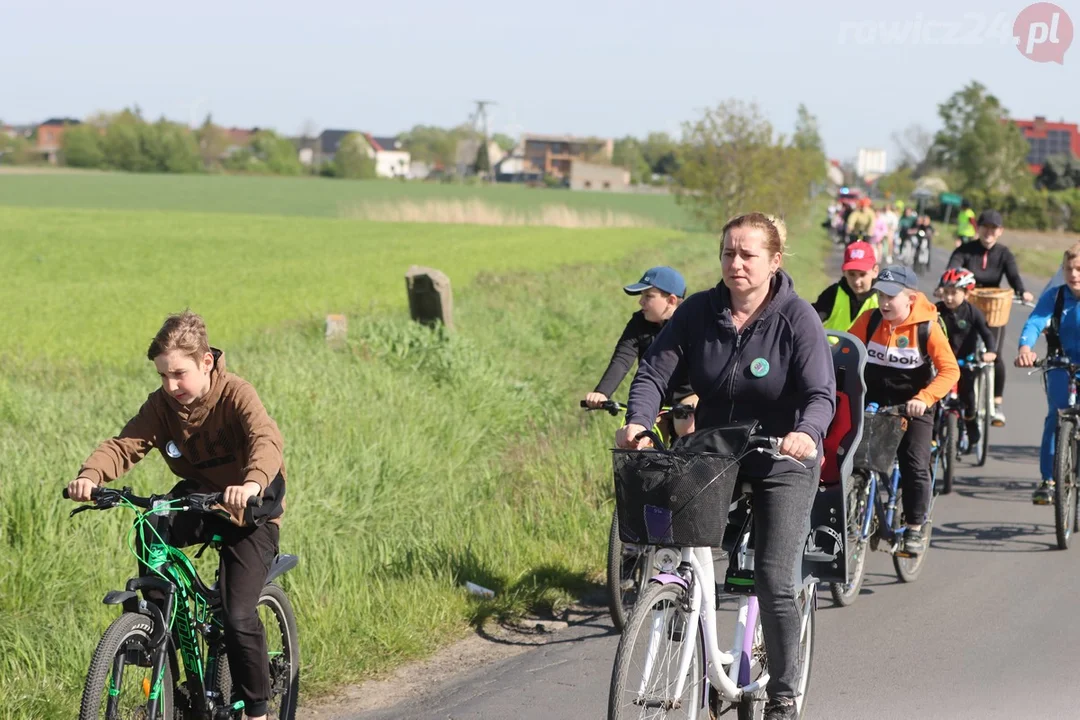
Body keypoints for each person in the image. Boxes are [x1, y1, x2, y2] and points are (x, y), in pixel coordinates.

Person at [617, 213, 835, 720]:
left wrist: (806, 433)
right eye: (728, 254)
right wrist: (638, 422)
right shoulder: (697, 311)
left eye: (748, 254)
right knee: (679, 546)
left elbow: (821, 393)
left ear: (774, 261)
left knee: (773, 578)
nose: (736, 264)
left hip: (783, 454)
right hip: (719, 449)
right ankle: (686, 623)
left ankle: (782, 694)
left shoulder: (797, 316)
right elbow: (653, 371)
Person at [66, 311, 286, 720]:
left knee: (238, 615)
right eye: (163, 376)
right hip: (200, 498)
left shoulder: (236, 393)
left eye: (179, 374)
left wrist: (252, 484)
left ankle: (258, 710)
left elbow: (265, 439)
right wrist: (90, 475)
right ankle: (157, 631)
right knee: (150, 524)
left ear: (206, 362)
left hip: (250, 509)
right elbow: (125, 443)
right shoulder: (162, 405)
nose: (171, 386)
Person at [848, 266, 960, 555]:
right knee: (848, 457)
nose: (884, 302)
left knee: (914, 464)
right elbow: (845, 353)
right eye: (881, 295)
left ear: (910, 298)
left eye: (891, 296)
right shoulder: (869, 320)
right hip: (871, 401)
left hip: (912, 405)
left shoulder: (927, 326)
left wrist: (924, 398)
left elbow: (950, 371)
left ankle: (914, 526)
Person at [584, 266, 697, 437]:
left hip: (689, 395)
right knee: (638, 438)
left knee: (685, 422)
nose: (641, 301)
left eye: (648, 296)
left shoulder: (693, 324)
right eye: (641, 296)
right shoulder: (638, 323)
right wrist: (602, 392)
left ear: (671, 300)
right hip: (654, 398)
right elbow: (622, 359)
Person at [946, 209, 1034, 426]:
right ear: (978, 228)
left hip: (994, 306)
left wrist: (1022, 291)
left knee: (995, 354)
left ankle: (996, 403)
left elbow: (1013, 275)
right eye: (985, 227)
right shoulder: (966, 250)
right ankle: (955, 396)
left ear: (1000, 231)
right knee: (959, 353)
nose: (989, 232)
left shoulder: (1004, 253)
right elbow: (953, 268)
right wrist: (944, 286)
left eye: (994, 229)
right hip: (968, 304)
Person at [1016, 243, 1080, 504]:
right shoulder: (1056, 297)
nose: (1074, 274)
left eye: (1079, 269)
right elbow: (1035, 322)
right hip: (1059, 364)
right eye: (1069, 269)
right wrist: (1024, 347)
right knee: (1056, 417)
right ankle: (1048, 479)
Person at [936, 268, 998, 449]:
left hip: (966, 361)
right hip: (942, 363)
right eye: (946, 292)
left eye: (954, 293)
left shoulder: (973, 312)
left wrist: (991, 351)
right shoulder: (937, 310)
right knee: (934, 400)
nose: (948, 297)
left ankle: (971, 423)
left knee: (969, 397)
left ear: (966, 292)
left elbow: (987, 334)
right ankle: (932, 436)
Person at [812, 241, 880, 332]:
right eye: (852, 274)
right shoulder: (833, 293)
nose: (857, 281)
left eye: (862, 274)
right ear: (844, 272)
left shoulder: (881, 299)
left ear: (875, 271)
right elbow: (812, 319)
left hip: (864, 346)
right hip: (830, 345)